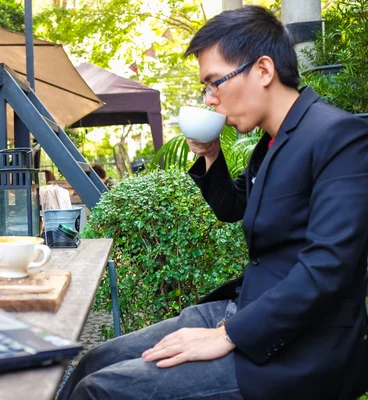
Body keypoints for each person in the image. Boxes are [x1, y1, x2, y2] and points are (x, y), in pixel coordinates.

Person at [58, 6, 368, 400]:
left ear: (263, 70)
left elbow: (327, 269)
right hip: (243, 308)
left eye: (214, 83)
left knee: (99, 390)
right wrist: (209, 154)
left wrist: (228, 335)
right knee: (93, 361)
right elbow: (232, 208)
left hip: (301, 347)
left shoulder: (339, 136)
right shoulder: (270, 143)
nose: (210, 99)